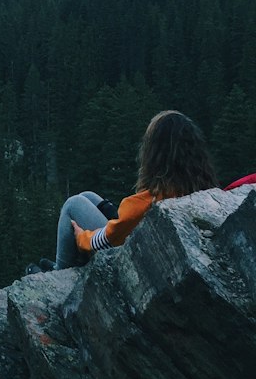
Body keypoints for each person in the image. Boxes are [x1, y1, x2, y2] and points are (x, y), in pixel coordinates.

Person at [51, 110, 218, 270]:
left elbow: (108, 240)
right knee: (89, 197)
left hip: (130, 259)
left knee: (73, 204)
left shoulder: (145, 203)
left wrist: (81, 238)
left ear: (154, 154)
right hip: (151, 248)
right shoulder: (200, 190)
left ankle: (59, 272)